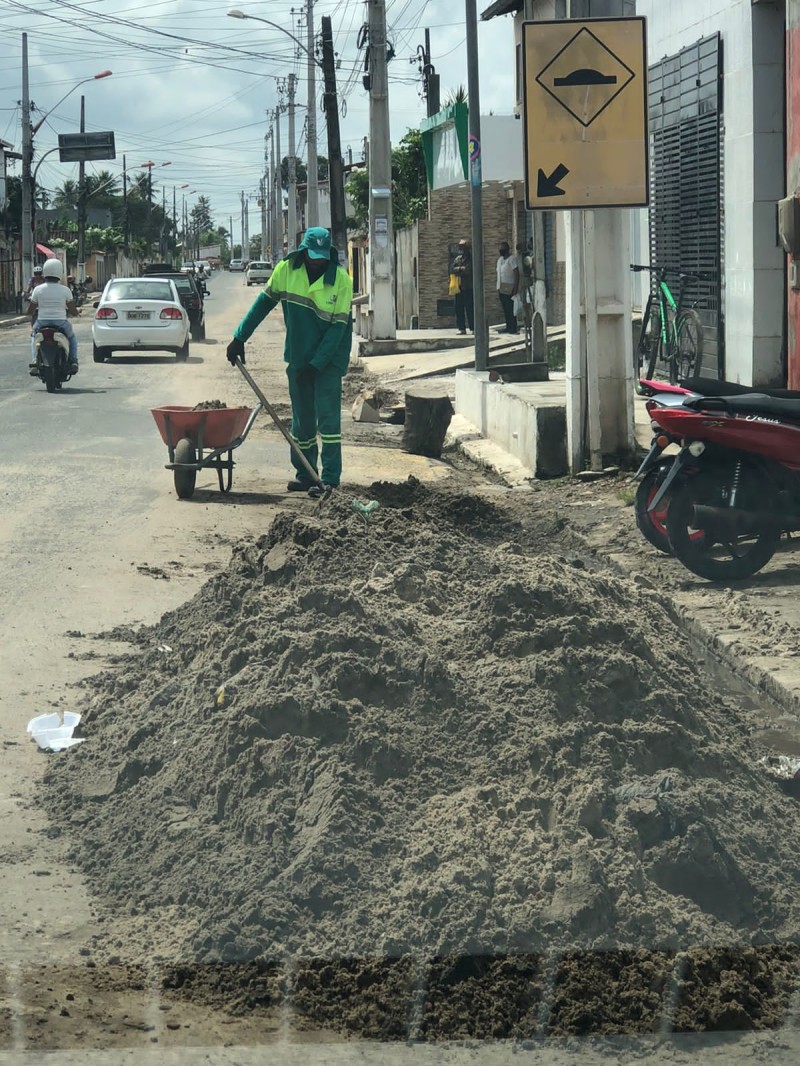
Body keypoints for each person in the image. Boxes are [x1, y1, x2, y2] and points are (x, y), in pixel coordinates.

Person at [226, 227, 353, 498]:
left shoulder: (341, 279)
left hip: (329, 360)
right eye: (312, 256)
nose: (317, 261)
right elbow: (262, 305)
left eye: (321, 257)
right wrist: (239, 338)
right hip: (298, 355)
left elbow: (337, 330)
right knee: (302, 420)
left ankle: (330, 479)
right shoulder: (286, 270)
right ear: (304, 252)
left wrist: (317, 364)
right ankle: (306, 474)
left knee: (328, 421)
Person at [28, 258, 79, 375]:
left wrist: (29, 312)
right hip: (61, 322)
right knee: (72, 338)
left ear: (45, 272)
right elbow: (72, 310)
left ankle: (35, 360)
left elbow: (31, 309)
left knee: (34, 337)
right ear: (60, 273)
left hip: (42, 322)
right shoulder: (65, 290)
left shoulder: (37, 289)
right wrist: (77, 313)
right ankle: (73, 361)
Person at [496, 241, 520, 334]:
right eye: (500, 249)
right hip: (501, 288)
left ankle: (513, 327)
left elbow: (516, 273)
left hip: (510, 288)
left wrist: (515, 288)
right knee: (505, 309)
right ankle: (508, 326)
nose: (501, 250)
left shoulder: (512, 259)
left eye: (502, 249)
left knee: (510, 309)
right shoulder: (500, 260)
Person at [452, 238, 474, 335]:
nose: (461, 248)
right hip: (459, 287)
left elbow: (468, 270)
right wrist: (461, 269)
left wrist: (459, 270)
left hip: (468, 287)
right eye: (460, 246)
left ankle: (473, 327)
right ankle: (461, 328)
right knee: (458, 308)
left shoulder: (472, 258)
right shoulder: (458, 259)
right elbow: (452, 269)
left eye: (463, 246)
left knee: (470, 308)